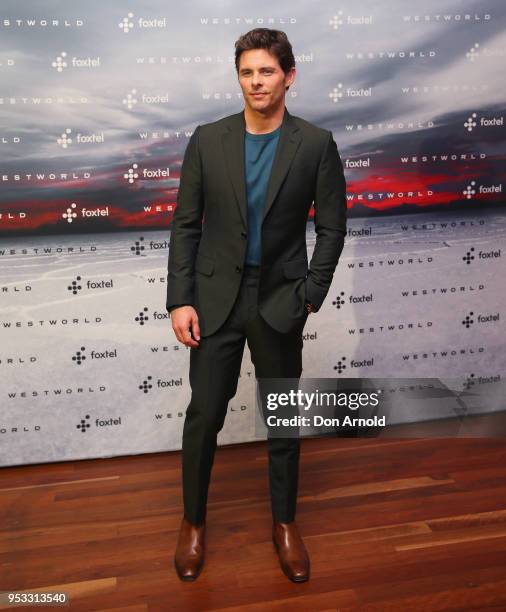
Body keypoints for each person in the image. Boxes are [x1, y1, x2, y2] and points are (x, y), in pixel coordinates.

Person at [166, 27, 347, 583]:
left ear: (288, 77)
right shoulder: (207, 139)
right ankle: (193, 522)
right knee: (203, 415)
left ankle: (286, 524)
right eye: (246, 72)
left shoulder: (315, 144)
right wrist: (180, 300)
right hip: (216, 299)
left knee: (282, 420)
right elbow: (185, 225)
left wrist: (310, 295)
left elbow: (333, 228)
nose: (256, 82)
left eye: (266, 71)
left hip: (278, 302)